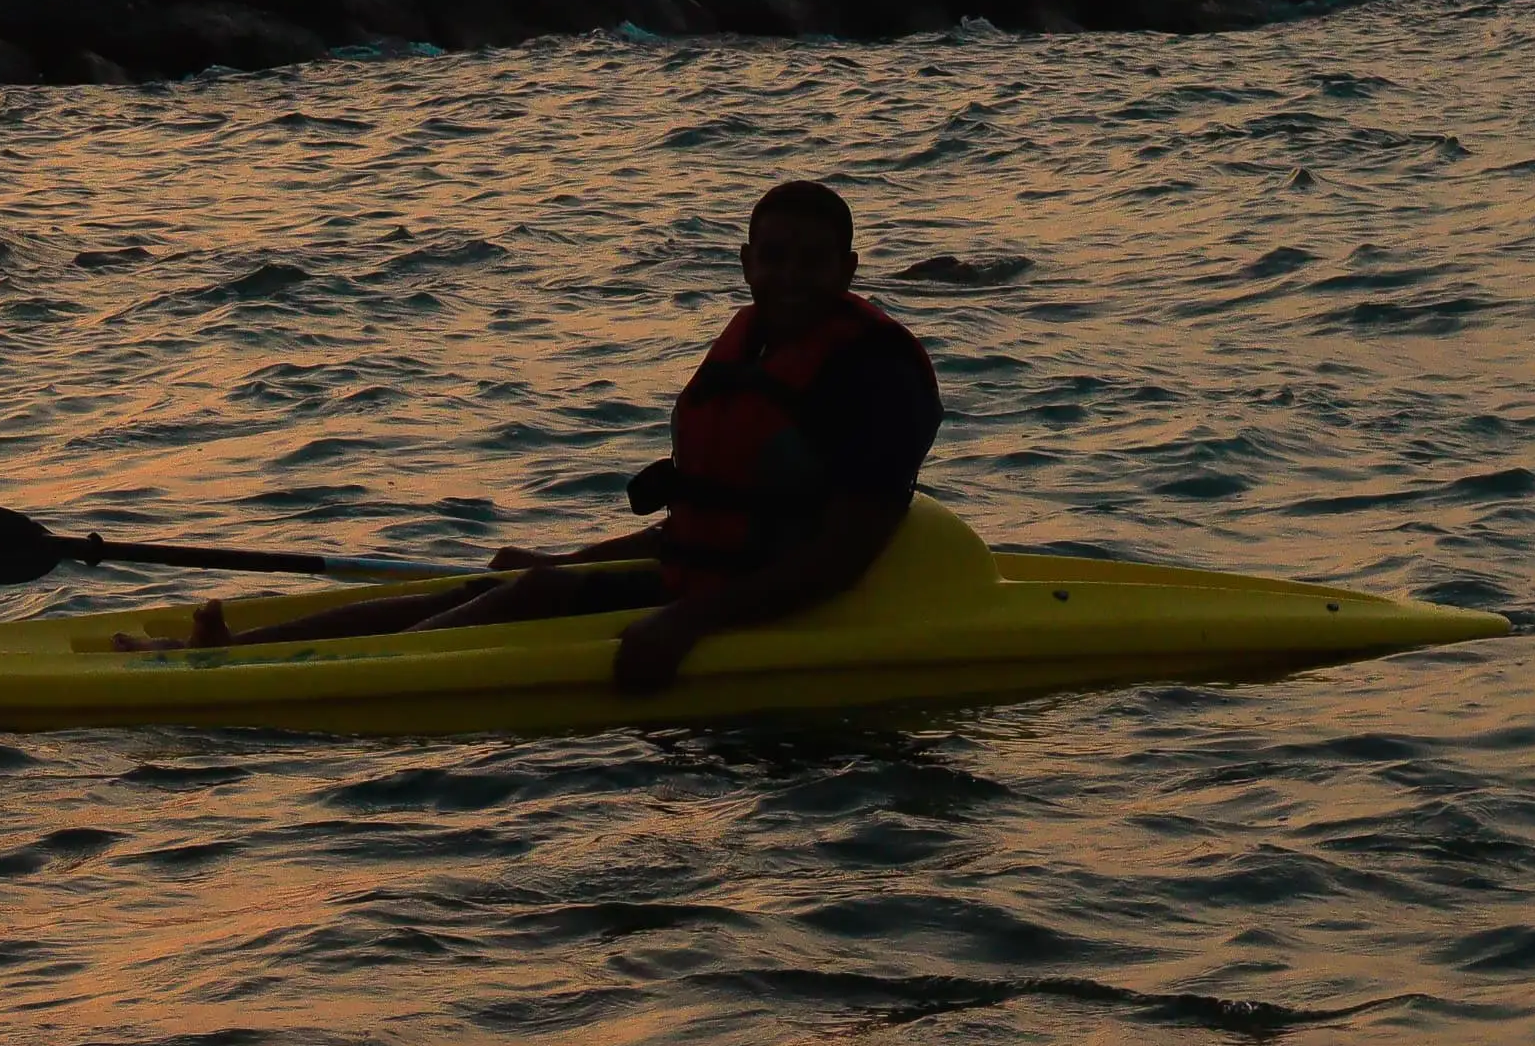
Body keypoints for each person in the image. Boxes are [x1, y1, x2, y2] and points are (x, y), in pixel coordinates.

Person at [134, 179, 940, 694]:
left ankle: (301, 682)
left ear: (848, 269)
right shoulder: (755, 346)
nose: (790, 277)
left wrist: (686, 625)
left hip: (786, 608)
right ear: (745, 263)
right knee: (495, 591)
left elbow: (841, 555)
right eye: (774, 258)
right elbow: (701, 521)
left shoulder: (874, 374)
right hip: (706, 580)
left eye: (811, 262)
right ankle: (237, 651)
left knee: (527, 597)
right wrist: (569, 562)